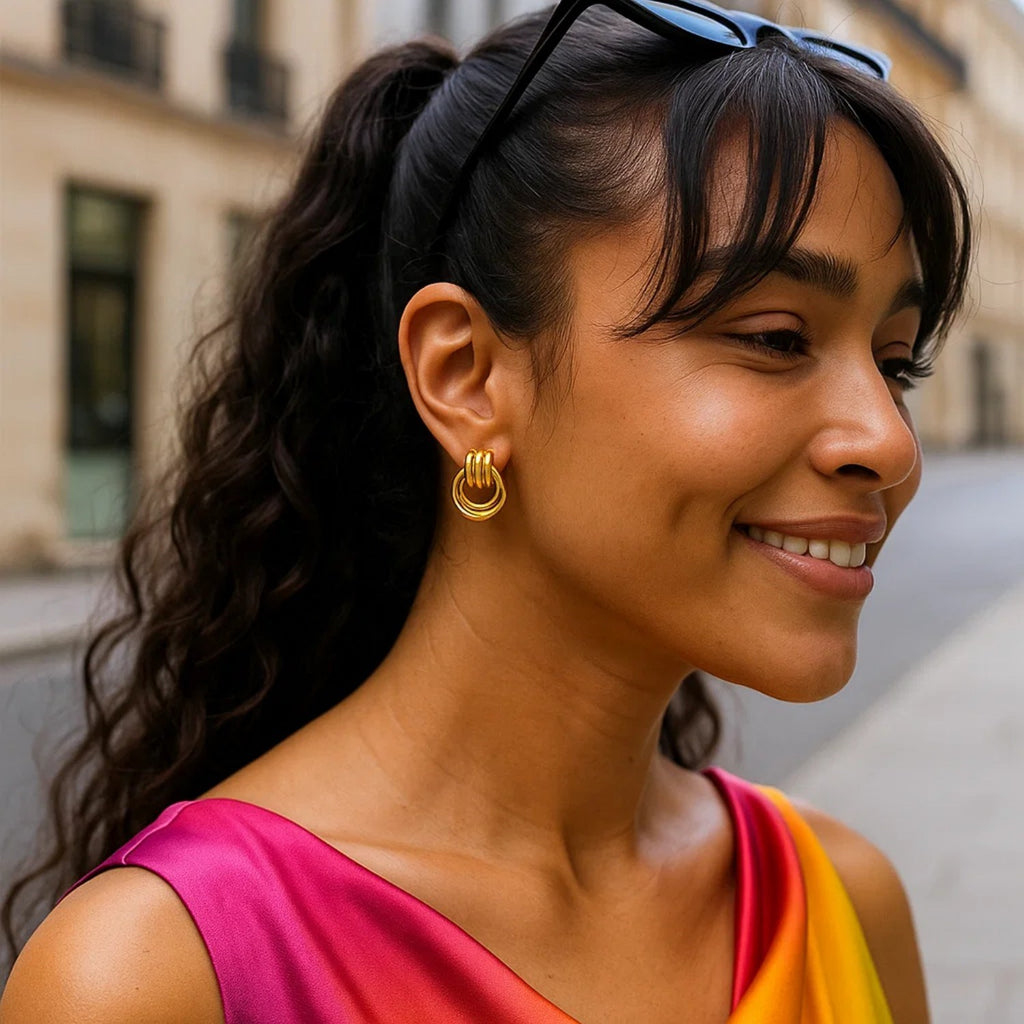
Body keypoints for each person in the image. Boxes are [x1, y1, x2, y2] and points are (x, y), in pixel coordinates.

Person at [1, 1, 972, 1021]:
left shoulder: (840, 899)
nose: (888, 441)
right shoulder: (159, 973)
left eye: (895, 361)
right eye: (776, 337)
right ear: (465, 376)